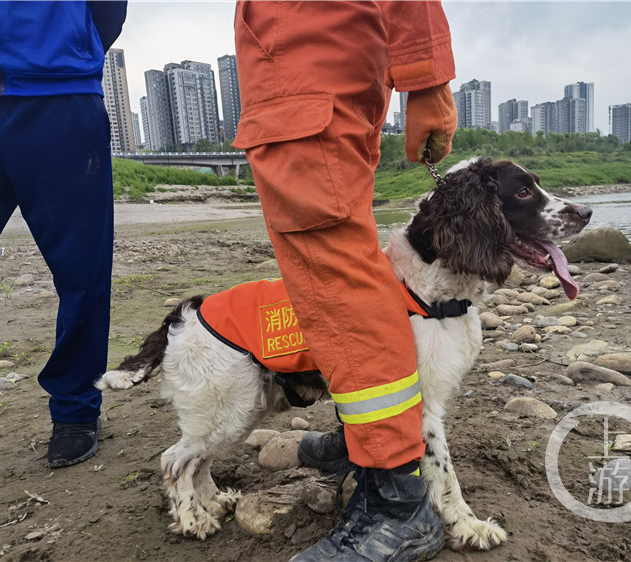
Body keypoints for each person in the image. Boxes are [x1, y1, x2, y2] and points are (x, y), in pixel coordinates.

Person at [232, 2, 457, 559]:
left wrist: (428, 79)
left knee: (341, 295)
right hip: (294, 89)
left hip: (306, 86)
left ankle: (399, 503)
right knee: (333, 291)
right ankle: (368, 451)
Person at [0, 1, 128, 468]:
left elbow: (109, 11)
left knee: (82, 273)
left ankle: (75, 411)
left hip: (61, 100)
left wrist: (66, 48)